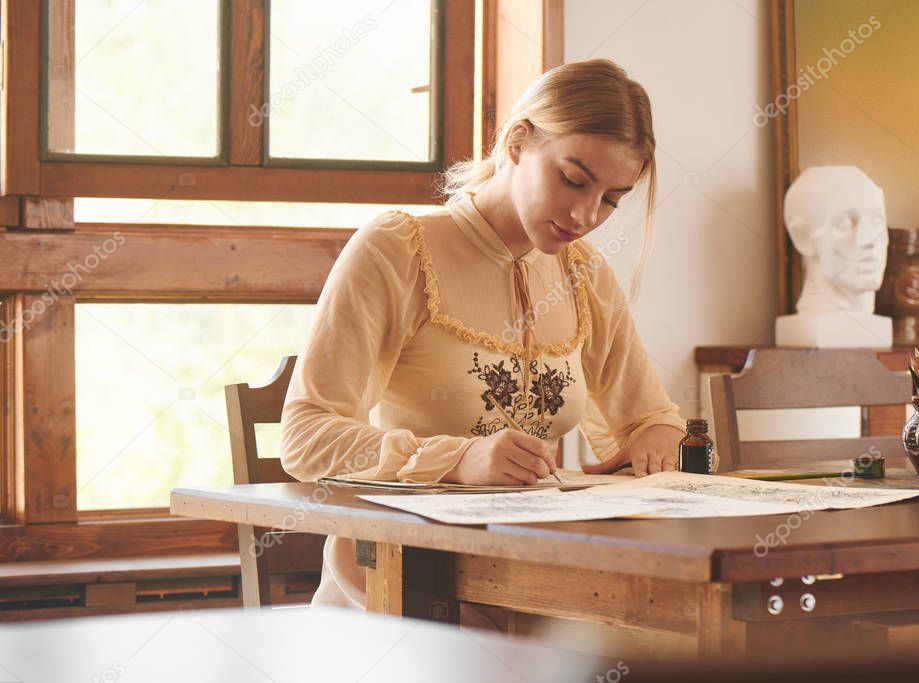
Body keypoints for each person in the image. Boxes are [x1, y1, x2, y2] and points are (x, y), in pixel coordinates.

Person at [280, 58, 687, 611]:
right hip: (397, 577)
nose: (587, 214)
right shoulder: (398, 249)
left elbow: (647, 418)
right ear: (518, 142)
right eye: (573, 179)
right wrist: (459, 460)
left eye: (613, 199)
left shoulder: (583, 273)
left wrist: (654, 443)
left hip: (536, 570)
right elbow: (305, 437)